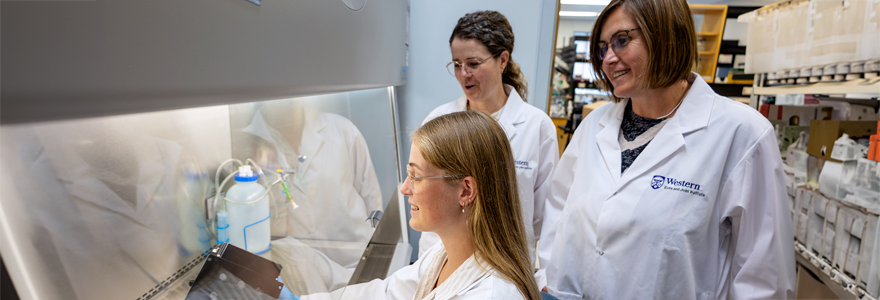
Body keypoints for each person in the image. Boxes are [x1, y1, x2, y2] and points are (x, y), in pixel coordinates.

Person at [540, 0, 796, 299]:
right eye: (602, 48)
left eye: (621, 41)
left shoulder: (742, 134)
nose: (608, 58)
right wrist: (547, 277)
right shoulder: (593, 125)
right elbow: (558, 213)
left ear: (664, 35)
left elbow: (763, 279)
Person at [300, 111, 542, 300]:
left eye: (416, 176)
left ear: (466, 190)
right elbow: (385, 293)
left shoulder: (492, 294)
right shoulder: (442, 256)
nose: (405, 188)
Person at [418, 11, 559, 288]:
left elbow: (551, 215)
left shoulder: (536, 126)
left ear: (503, 60)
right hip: (446, 270)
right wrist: (425, 270)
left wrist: (544, 277)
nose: (463, 74)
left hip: (508, 275)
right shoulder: (438, 121)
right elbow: (426, 198)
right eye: (457, 64)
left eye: (473, 63)